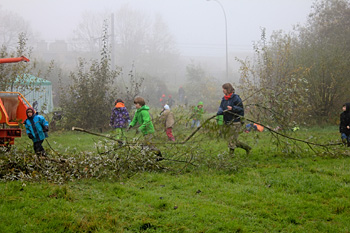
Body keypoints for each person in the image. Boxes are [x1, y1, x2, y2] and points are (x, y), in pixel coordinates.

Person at [217, 83, 251, 155]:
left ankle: (231, 155)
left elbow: (241, 109)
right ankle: (247, 147)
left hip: (236, 121)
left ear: (228, 89)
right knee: (232, 139)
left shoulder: (236, 98)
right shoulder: (224, 99)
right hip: (227, 121)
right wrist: (220, 110)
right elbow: (221, 107)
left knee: (232, 140)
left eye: (224, 89)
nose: (223, 90)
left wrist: (233, 108)